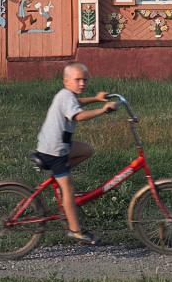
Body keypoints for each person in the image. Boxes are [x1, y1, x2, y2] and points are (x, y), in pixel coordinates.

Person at [33, 62, 116, 245]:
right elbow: (78, 115)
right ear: (66, 81)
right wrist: (103, 110)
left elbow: (77, 103)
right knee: (69, 189)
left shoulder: (67, 96)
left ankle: (61, 178)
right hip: (54, 151)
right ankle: (75, 230)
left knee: (86, 150)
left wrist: (96, 98)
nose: (82, 84)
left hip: (59, 146)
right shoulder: (65, 96)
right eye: (77, 80)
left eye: (84, 80)